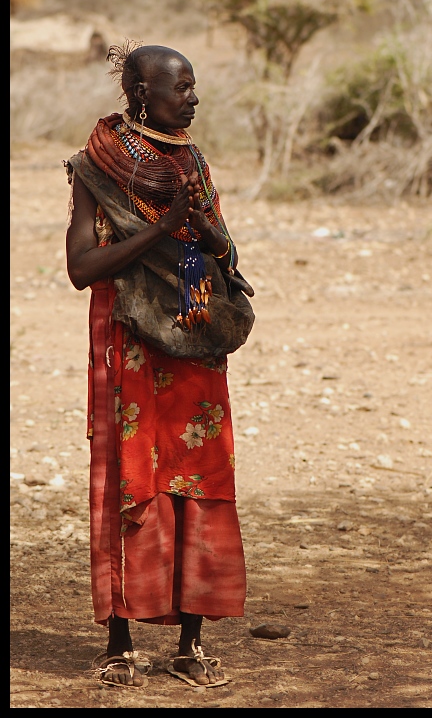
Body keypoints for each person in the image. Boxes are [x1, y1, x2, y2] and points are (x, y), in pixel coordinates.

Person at [64, 41, 254, 688]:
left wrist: (205, 250)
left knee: (199, 474)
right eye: (182, 88)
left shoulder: (192, 162)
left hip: (191, 329)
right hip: (128, 338)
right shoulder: (95, 168)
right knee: (131, 478)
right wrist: (161, 228)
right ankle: (119, 643)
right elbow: (82, 269)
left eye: (194, 87)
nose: (193, 98)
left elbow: (207, 252)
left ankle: (190, 646)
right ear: (143, 92)